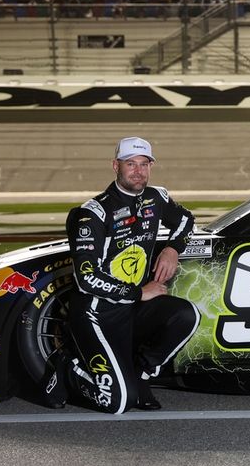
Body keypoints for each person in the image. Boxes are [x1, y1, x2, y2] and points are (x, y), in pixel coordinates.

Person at [43, 137, 199, 413]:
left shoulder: (156, 197)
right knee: (118, 403)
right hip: (96, 313)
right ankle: (68, 367)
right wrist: (139, 292)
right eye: (131, 164)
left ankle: (140, 375)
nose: (138, 171)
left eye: (144, 164)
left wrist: (172, 249)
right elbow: (86, 278)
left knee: (187, 314)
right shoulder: (93, 213)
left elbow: (186, 219)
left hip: (133, 309)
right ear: (115, 166)